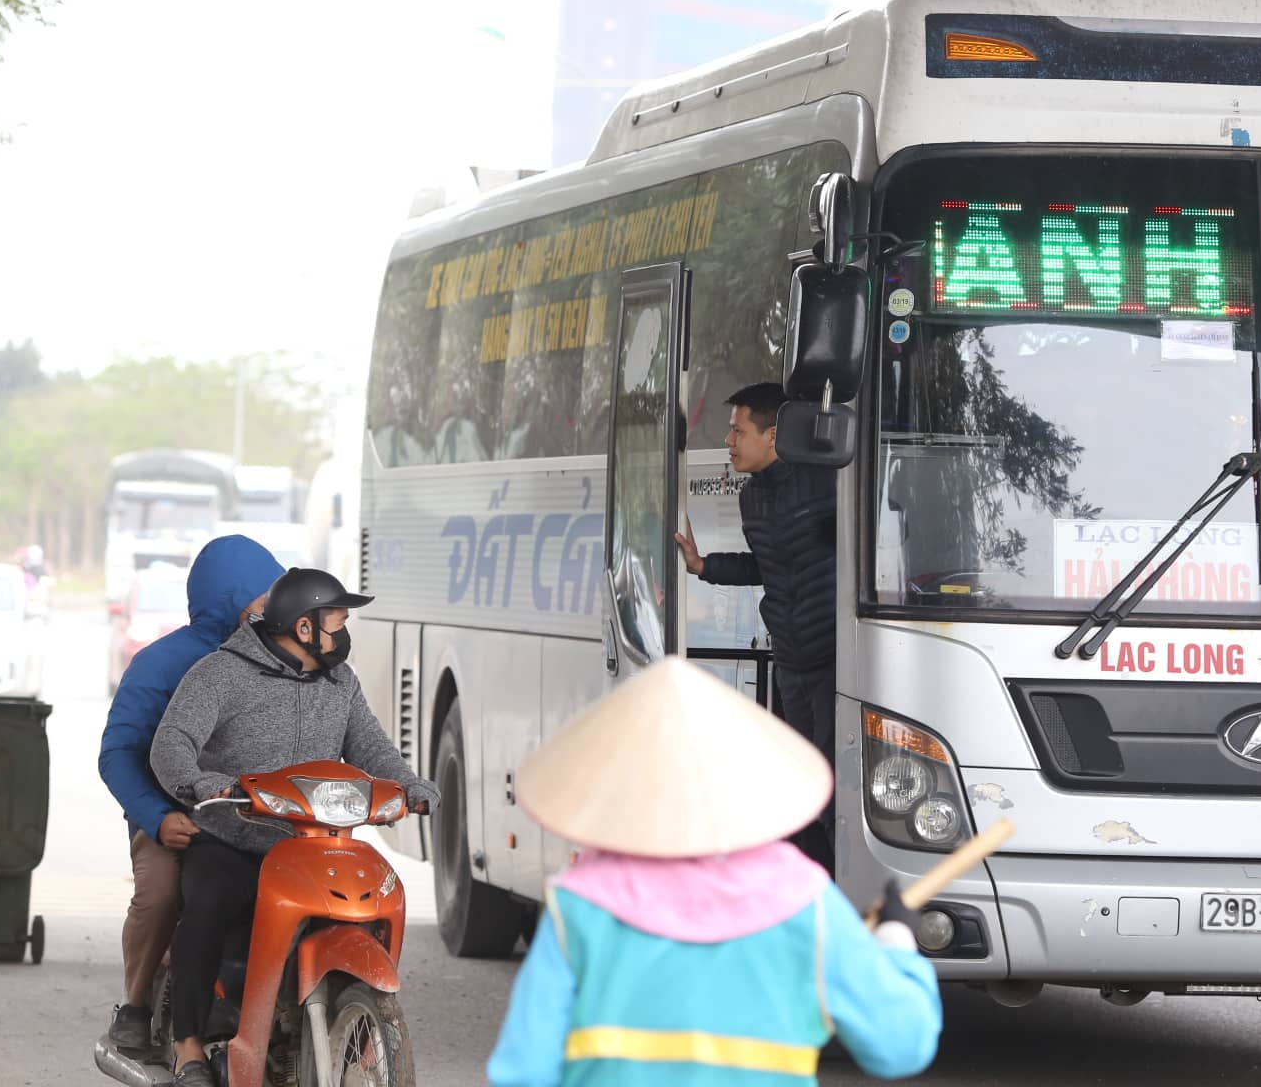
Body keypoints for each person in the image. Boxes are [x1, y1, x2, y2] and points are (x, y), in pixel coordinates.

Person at [487, 656, 942, 1086]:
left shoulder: (580, 907)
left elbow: (524, 1072)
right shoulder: (805, 902)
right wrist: (895, 942)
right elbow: (900, 1044)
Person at [150, 567, 440, 1087]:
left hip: (316, 845)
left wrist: (411, 786)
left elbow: (371, 748)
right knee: (209, 906)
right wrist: (200, 784)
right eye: (338, 621)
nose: (345, 631)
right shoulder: (221, 673)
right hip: (234, 838)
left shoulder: (340, 683)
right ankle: (189, 1048)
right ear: (304, 628)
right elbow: (171, 744)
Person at [95, 535, 284, 1057]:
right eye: (264, 599)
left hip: (256, 815)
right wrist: (156, 818)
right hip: (172, 816)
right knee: (161, 895)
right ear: (231, 599)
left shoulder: (285, 660)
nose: (277, 610)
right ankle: (135, 1005)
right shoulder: (162, 663)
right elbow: (117, 753)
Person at [674, 382, 838, 864]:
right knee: (798, 793)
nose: (729, 442)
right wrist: (704, 567)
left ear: (773, 436)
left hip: (832, 665)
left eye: (737, 431)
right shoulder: (752, 499)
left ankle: (836, 903)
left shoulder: (826, 483)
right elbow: (766, 567)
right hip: (790, 665)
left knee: (830, 791)